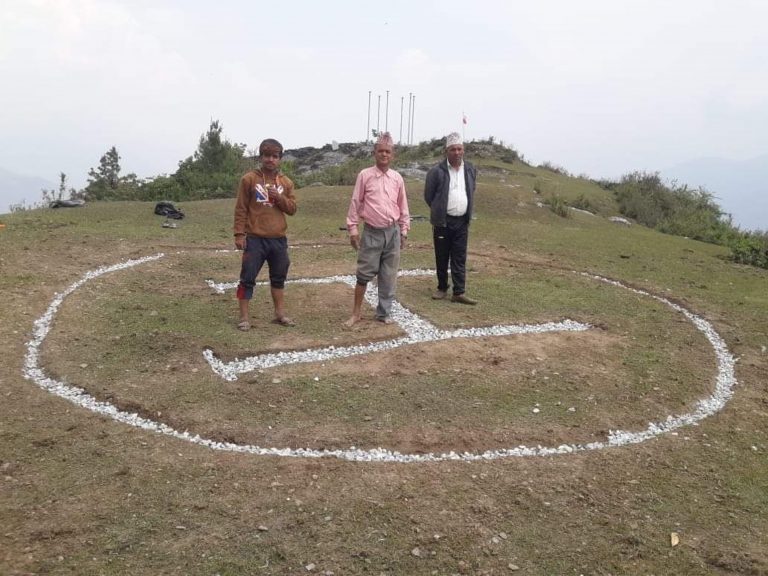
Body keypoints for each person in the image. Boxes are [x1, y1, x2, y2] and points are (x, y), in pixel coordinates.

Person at [344, 132, 410, 327]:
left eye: (388, 152)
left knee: (388, 275)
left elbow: (403, 205)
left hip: (393, 232)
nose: (384, 154)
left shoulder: (397, 178)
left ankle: (383, 313)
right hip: (372, 232)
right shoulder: (365, 175)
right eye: (381, 151)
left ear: (393, 155)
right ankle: (356, 313)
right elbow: (356, 202)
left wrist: (404, 230)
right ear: (374, 153)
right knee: (364, 274)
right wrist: (353, 229)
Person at [233, 138, 298, 331]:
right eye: (267, 155)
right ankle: (244, 317)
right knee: (247, 277)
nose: (270, 159)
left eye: (275, 156)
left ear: (280, 158)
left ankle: (279, 314)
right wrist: (239, 234)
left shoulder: (286, 182)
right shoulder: (249, 179)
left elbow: (292, 209)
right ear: (260, 156)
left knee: (279, 277)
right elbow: (241, 208)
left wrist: (279, 198)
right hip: (255, 239)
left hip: (278, 239)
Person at [424, 132, 477, 305]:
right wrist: (439, 209)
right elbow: (429, 196)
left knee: (459, 256)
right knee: (442, 256)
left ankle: (459, 292)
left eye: (459, 149)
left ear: (463, 150)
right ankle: (442, 288)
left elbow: (471, 190)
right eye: (453, 149)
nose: (456, 152)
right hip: (443, 221)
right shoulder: (436, 171)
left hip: (462, 222)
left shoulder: (470, 170)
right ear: (446, 151)